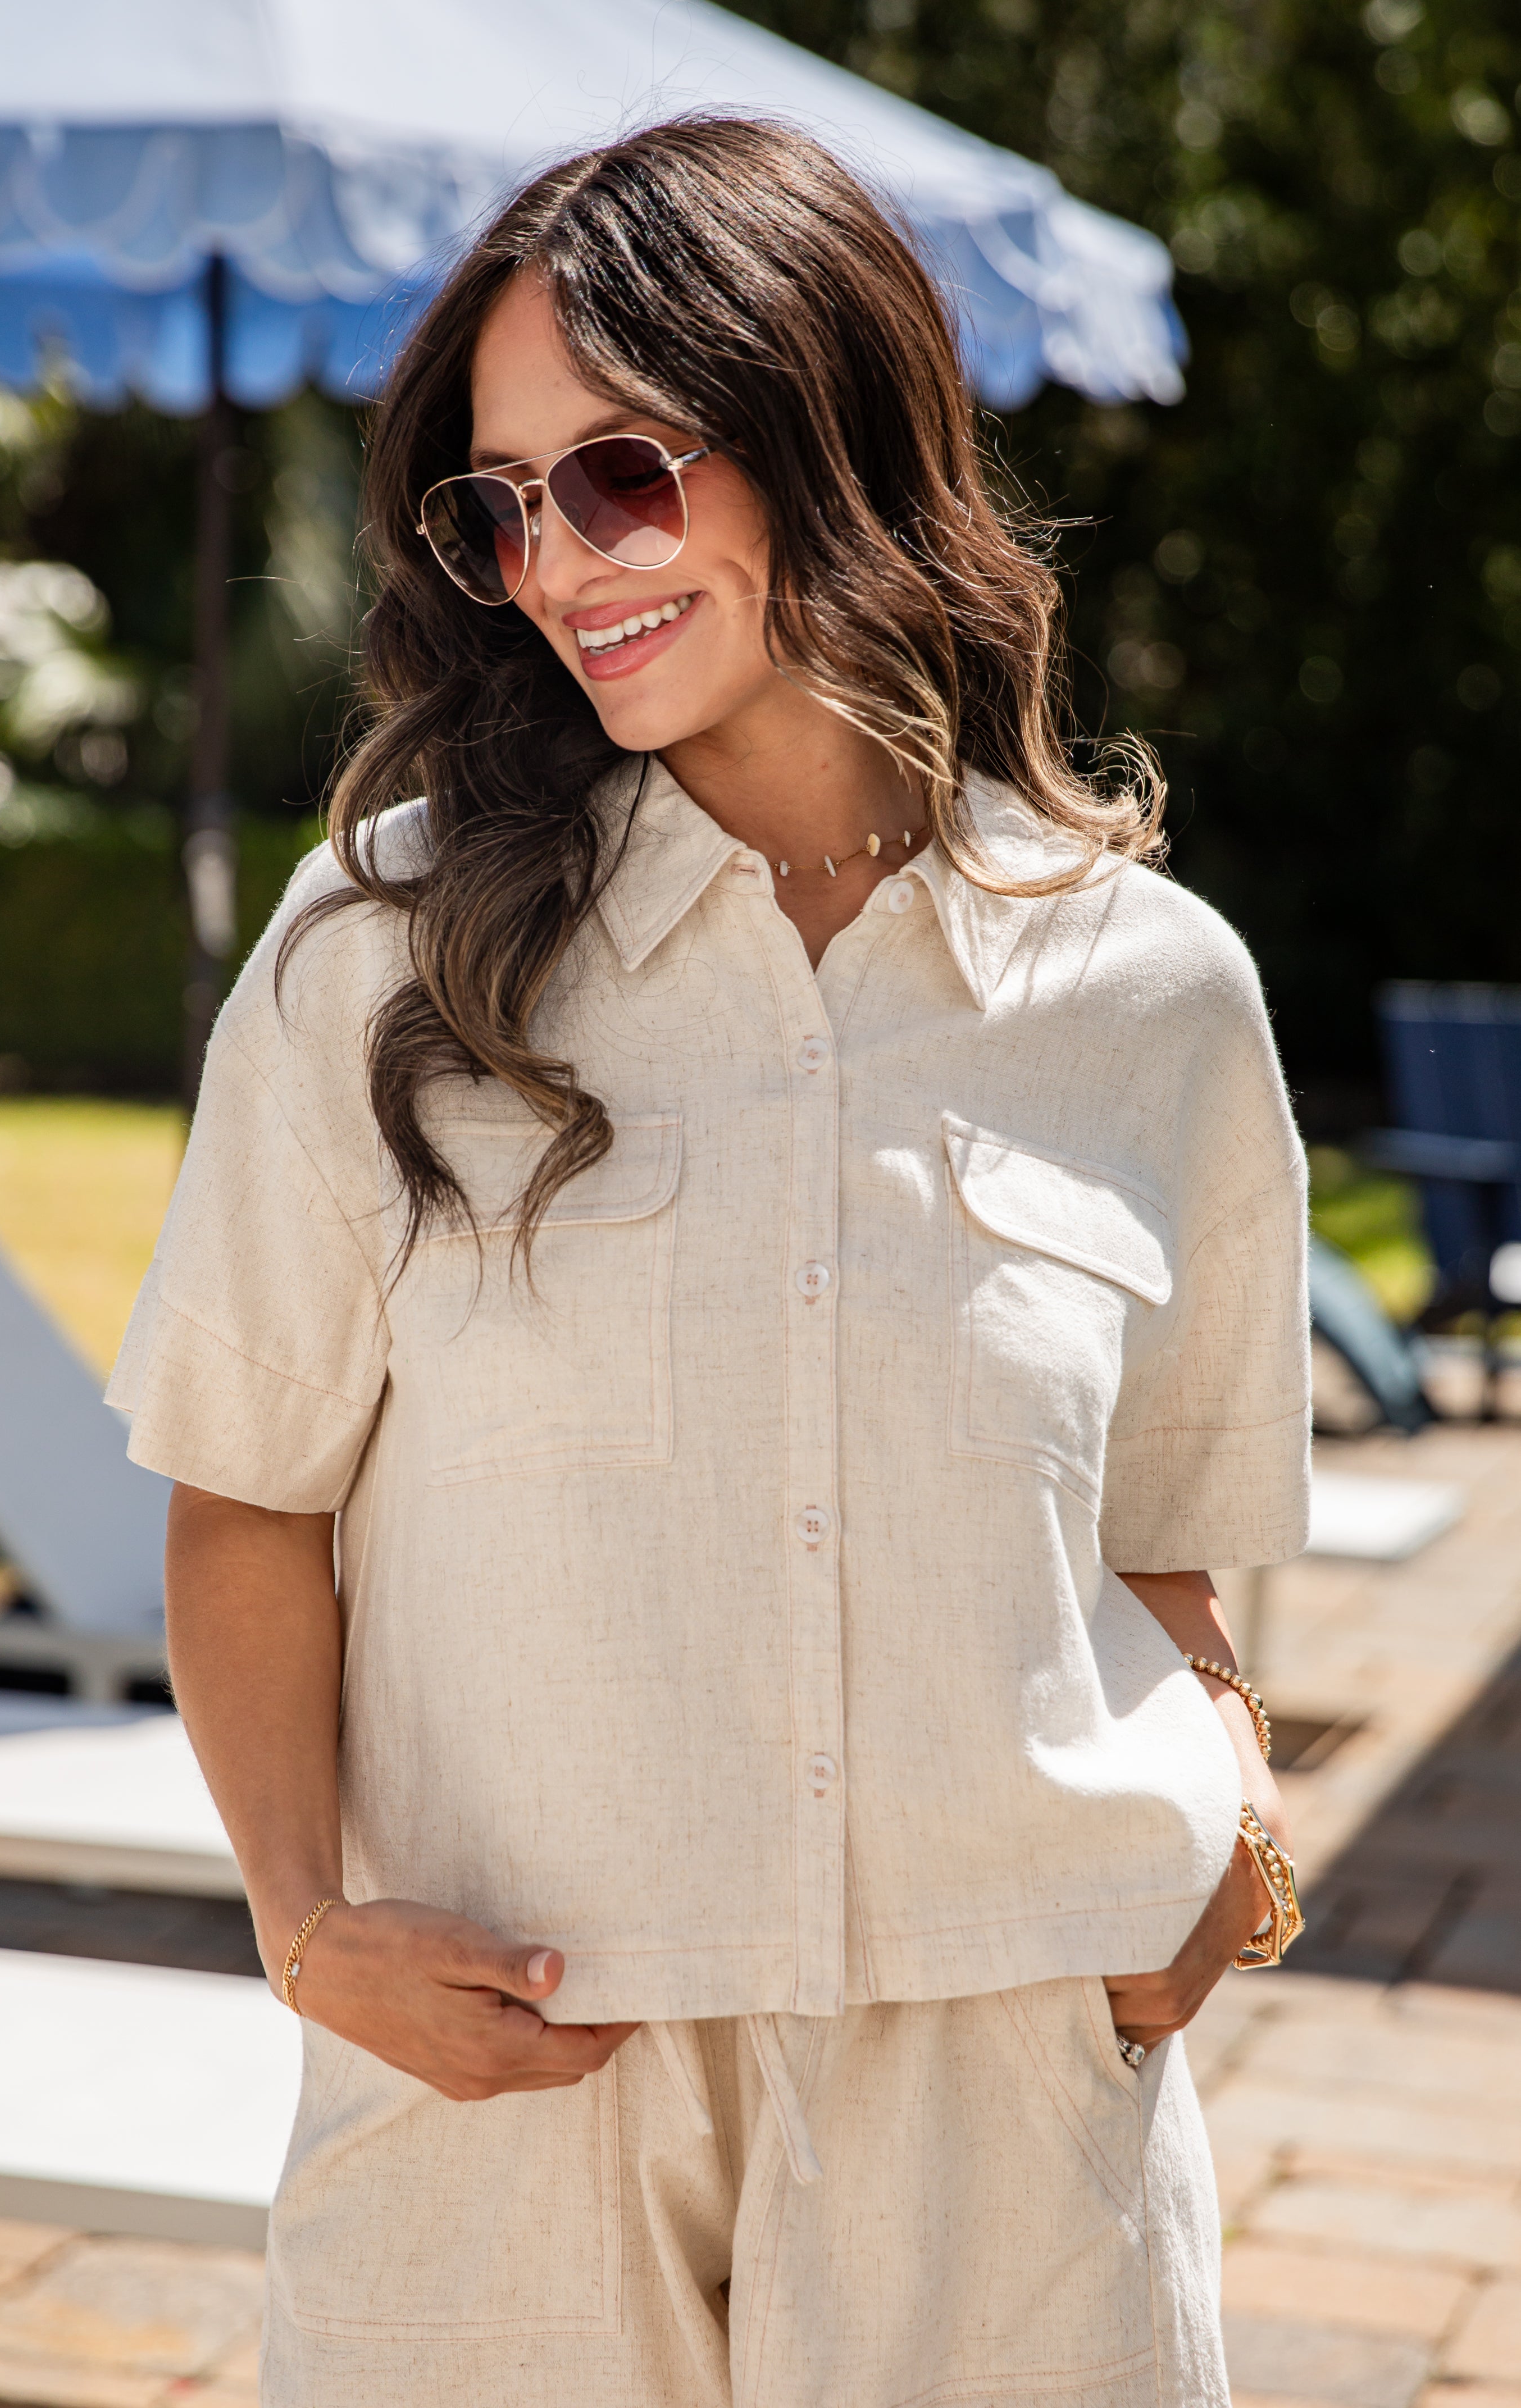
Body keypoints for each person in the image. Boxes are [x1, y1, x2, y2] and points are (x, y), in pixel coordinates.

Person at [112, 116, 1310, 2408]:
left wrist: (1232, 1834)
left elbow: (1165, 1550)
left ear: (820, 439)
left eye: (625, 477)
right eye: (500, 504)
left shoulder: (1153, 994)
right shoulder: (378, 950)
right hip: (515, 2104)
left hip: (1009, 2117)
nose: (558, 562)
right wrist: (299, 1929)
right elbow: (243, 1496)